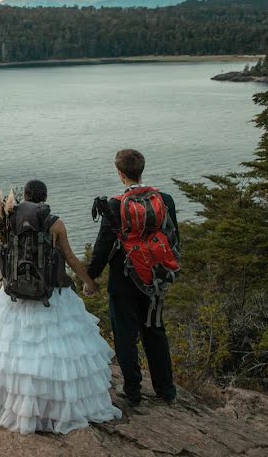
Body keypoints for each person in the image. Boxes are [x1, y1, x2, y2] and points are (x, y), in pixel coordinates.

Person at [0, 180, 121, 434]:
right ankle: (52, 409)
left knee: (11, 351)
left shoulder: (7, 218)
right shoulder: (54, 223)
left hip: (13, 293)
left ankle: (11, 404)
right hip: (50, 293)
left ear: (24, 196)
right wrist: (89, 281)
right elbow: (69, 257)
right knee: (55, 353)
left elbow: (6, 255)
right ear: (45, 198)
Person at [87, 149, 178, 407]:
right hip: (155, 277)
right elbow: (174, 240)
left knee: (125, 334)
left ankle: (134, 391)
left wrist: (90, 278)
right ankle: (166, 389)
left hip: (124, 279)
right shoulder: (166, 199)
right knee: (155, 330)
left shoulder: (115, 205)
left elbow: (103, 247)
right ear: (142, 169)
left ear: (120, 172)